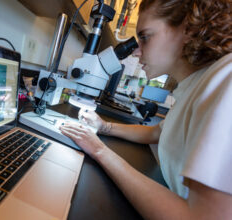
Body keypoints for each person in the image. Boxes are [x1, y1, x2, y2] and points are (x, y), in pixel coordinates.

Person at [60, 0, 232, 219]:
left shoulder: (226, 80)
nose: (136, 52)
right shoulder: (195, 83)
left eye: (145, 37)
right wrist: (104, 127)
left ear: (189, 29)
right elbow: (159, 132)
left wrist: (100, 151)